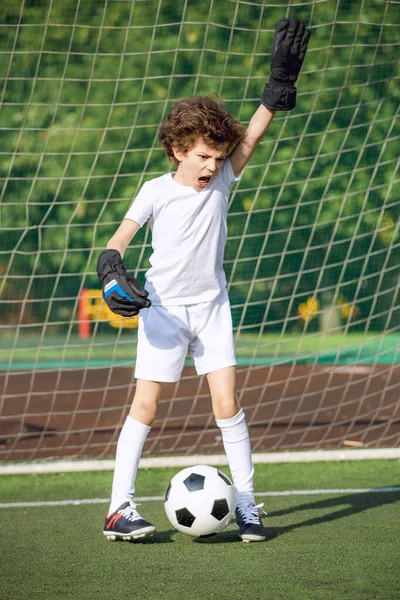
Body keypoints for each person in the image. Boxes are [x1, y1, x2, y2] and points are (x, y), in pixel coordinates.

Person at [96, 18, 311, 543]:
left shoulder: (223, 180)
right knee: (144, 406)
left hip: (212, 308)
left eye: (217, 157)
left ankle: (247, 506)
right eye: (202, 156)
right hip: (163, 309)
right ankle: (118, 509)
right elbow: (119, 238)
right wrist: (109, 267)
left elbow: (253, 135)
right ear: (177, 151)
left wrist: (276, 89)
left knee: (227, 406)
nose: (212, 166)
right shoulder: (154, 191)